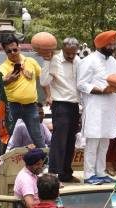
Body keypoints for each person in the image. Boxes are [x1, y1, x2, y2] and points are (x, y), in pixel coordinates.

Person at [77, 30, 116, 184]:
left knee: (105, 140)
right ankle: (89, 175)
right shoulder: (89, 60)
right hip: (94, 105)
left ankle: (100, 172)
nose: (112, 46)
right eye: (109, 44)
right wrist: (102, 90)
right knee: (93, 140)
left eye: (113, 44)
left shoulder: (113, 62)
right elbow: (81, 84)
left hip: (110, 105)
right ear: (101, 44)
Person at [40, 37, 81, 183]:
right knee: (59, 140)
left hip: (75, 105)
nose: (71, 56)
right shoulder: (54, 60)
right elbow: (44, 82)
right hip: (60, 104)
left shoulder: (79, 61)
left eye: (73, 53)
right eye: (68, 53)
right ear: (62, 49)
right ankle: (53, 175)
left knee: (71, 140)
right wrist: (46, 61)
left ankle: (66, 174)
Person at [0, 35, 45, 151]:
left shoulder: (31, 61)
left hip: (31, 106)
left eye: (15, 49)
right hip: (11, 105)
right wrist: (9, 79)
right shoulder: (3, 66)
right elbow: (1, 81)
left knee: (37, 136)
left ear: (19, 47)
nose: (13, 53)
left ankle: (44, 162)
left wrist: (49, 96)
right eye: (9, 51)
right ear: (5, 52)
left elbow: (43, 78)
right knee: (5, 135)